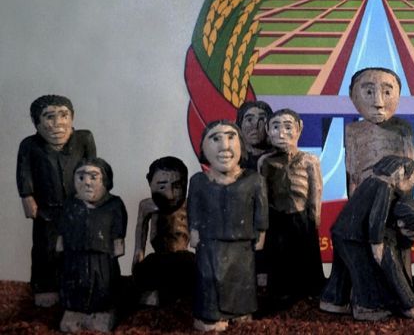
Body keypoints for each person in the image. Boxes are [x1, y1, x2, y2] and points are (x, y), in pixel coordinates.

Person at [16, 95, 97, 307]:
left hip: (77, 206)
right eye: (49, 117)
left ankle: (78, 285)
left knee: (78, 247)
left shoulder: (84, 139)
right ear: (36, 122)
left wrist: (94, 195)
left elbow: (92, 167)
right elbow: (24, 173)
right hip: (46, 209)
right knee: (46, 248)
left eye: (63, 115)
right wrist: (27, 197)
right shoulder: (30, 145)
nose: (58, 123)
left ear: (72, 118)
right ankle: (45, 287)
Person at [188, 120, 268, 331]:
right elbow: (193, 209)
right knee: (209, 280)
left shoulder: (254, 180)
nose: (224, 146)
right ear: (203, 148)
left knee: (242, 279)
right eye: (215, 139)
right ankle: (210, 316)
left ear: (241, 144)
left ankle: (241, 312)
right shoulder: (198, 181)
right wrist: (193, 232)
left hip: (242, 243)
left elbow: (261, 211)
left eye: (231, 138)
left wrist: (261, 234)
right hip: (209, 244)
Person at [320, 156, 414, 320]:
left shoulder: (370, 181)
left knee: (342, 270)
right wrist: (377, 244)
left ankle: (333, 300)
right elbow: (376, 218)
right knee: (364, 271)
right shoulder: (385, 188)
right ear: (401, 173)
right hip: (354, 238)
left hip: (341, 232)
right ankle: (366, 307)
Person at [259, 109, 324, 303]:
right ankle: (281, 291)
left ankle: (311, 289)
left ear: (299, 128)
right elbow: (262, 194)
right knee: (278, 255)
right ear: (267, 130)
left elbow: (316, 189)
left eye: (288, 127)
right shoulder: (266, 162)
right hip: (276, 217)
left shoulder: (309, 160)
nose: (281, 133)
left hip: (302, 215)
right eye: (275, 127)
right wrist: (263, 221)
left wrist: (315, 216)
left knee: (306, 253)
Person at [57, 157, 127, 332]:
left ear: (106, 180)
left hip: (102, 257)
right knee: (74, 283)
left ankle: (102, 311)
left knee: (103, 285)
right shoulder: (70, 204)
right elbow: (62, 227)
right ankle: (75, 310)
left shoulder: (114, 204)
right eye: (81, 177)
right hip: (74, 256)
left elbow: (119, 227)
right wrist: (60, 243)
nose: (87, 182)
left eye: (93, 177)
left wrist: (118, 245)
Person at [132, 156, 194, 306]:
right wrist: (137, 259)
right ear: (150, 183)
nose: (170, 194)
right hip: (158, 258)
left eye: (177, 187)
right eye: (162, 187)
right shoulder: (147, 206)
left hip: (182, 259)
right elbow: (140, 237)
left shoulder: (189, 205)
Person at [345, 68, 414, 196]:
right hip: (363, 197)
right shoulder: (352, 131)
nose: (378, 103)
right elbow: (352, 176)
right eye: (369, 92)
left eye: (387, 92)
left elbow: (410, 176)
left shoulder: (403, 130)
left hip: (395, 196)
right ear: (352, 95)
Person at [236, 100, 273, 170]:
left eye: (262, 119)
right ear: (240, 125)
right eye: (249, 119)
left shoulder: (279, 159)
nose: (255, 125)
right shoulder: (232, 160)